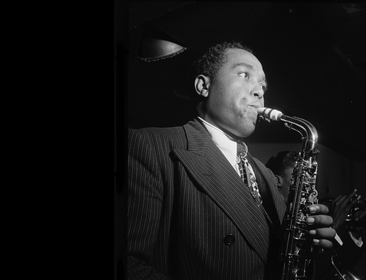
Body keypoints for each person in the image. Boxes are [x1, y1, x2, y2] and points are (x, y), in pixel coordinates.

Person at [127, 41, 338, 280]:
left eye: (262, 86)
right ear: (203, 86)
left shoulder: (264, 173)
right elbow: (128, 265)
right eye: (244, 74)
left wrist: (308, 243)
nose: (259, 92)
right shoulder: (148, 145)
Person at [265, 151, 366, 279]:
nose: (308, 190)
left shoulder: (304, 219)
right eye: (300, 180)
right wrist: (334, 226)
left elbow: (336, 268)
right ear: (276, 181)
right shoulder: (267, 221)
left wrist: (354, 233)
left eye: (308, 184)